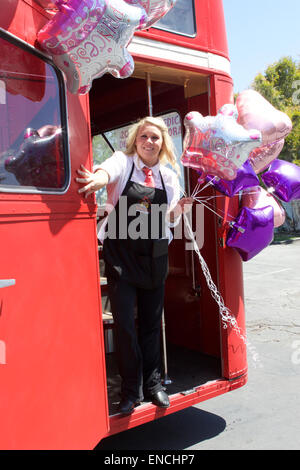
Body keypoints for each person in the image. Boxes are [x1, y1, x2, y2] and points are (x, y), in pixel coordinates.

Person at [76, 116, 193, 415]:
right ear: (135, 140)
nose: (149, 142)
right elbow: (106, 172)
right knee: (126, 326)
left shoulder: (169, 176)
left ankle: (154, 385)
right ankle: (131, 390)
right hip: (122, 260)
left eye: (155, 137)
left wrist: (177, 211)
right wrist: (97, 179)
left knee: (152, 327)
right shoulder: (123, 162)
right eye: (144, 137)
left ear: (162, 142)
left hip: (154, 259)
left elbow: (169, 220)